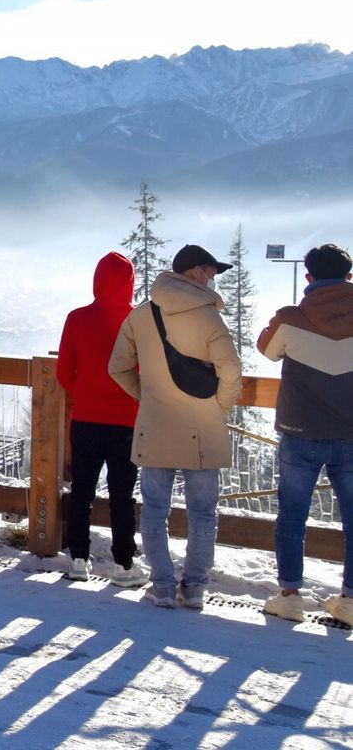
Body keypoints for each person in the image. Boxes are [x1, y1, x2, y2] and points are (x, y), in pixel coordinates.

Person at [109, 243, 243, 610]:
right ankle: (194, 588)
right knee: (202, 513)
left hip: (156, 424)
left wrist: (148, 396)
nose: (214, 278)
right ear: (196, 273)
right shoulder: (209, 317)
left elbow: (117, 367)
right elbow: (230, 369)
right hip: (203, 425)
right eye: (211, 271)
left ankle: (163, 586)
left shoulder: (141, 316)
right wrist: (220, 405)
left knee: (155, 509)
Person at [256, 243, 353, 625]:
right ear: (348, 276)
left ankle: (291, 596)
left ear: (308, 278)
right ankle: (349, 600)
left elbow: (267, 350)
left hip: (300, 431)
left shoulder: (291, 318)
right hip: (351, 433)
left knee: (293, 516)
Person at [57, 251, 148, 586]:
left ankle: (79, 560)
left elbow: (64, 371)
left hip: (86, 418)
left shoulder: (77, 319)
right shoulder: (137, 322)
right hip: (126, 420)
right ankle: (124, 565)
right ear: (130, 283)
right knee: (122, 494)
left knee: (82, 490)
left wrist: (83, 394)